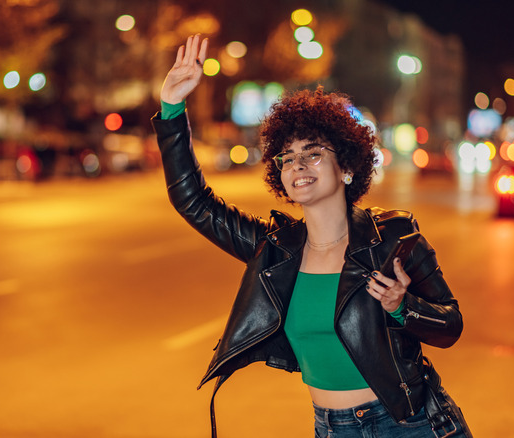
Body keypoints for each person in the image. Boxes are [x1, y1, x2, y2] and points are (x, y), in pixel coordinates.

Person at [152, 34, 473, 438]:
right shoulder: (275, 248)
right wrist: (171, 107)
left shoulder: (393, 238)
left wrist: (400, 306)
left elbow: (451, 324)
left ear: (347, 168)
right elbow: (193, 202)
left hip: (409, 425)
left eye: (314, 152)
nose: (298, 164)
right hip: (331, 428)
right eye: (287, 158)